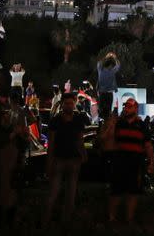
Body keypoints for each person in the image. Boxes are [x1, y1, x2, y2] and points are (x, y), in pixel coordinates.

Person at [104, 98, 154, 223]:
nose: (127, 108)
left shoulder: (142, 126)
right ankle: (112, 218)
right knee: (116, 190)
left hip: (135, 163)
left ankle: (129, 219)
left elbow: (148, 145)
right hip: (119, 162)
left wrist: (151, 161)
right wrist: (110, 126)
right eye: (125, 106)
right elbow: (107, 140)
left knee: (133, 191)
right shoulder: (119, 123)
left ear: (136, 108)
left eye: (130, 106)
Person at [43, 93, 87, 225]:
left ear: (74, 104)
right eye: (67, 103)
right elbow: (51, 142)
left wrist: (83, 154)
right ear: (62, 104)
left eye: (71, 103)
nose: (69, 106)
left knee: (71, 194)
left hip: (73, 160)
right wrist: (49, 162)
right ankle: (46, 219)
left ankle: (65, 221)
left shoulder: (78, 120)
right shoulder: (56, 120)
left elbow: (80, 139)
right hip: (59, 159)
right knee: (54, 192)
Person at [96, 52, 120, 121]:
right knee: (102, 110)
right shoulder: (101, 68)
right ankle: (102, 121)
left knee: (108, 110)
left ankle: (106, 120)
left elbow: (118, 65)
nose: (110, 67)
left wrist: (113, 58)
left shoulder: (112, 70)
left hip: (109, 92)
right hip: (102, 92)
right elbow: (99, 63)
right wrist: (108, 57)